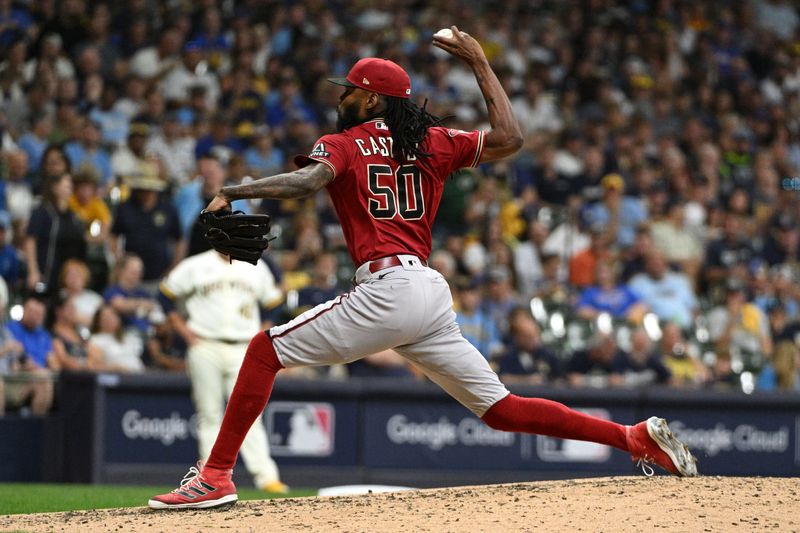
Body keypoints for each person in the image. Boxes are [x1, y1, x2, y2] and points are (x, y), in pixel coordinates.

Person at [149, 29, 696, 510]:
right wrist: (480, 62)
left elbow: (308, 182)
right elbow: (511, 139)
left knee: (264, 351)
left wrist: (233, 189)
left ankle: (215, 476)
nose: (341, 96)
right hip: (429, 293)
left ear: (370, 96)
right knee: (502, 409)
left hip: (387, 288)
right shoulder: (433, 141)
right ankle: (631, 437)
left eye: (349, 88)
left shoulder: (343, 142)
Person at [158, 248, 287, 494]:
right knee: (209, 413)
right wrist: (183, 330)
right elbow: (165, 295)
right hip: (204, 344)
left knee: (250, 414)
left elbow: (274, 303)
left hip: (243, 346)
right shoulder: (195, 264)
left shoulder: (254, 265)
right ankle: (208, 479)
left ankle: (266, 477)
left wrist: (263, 330)